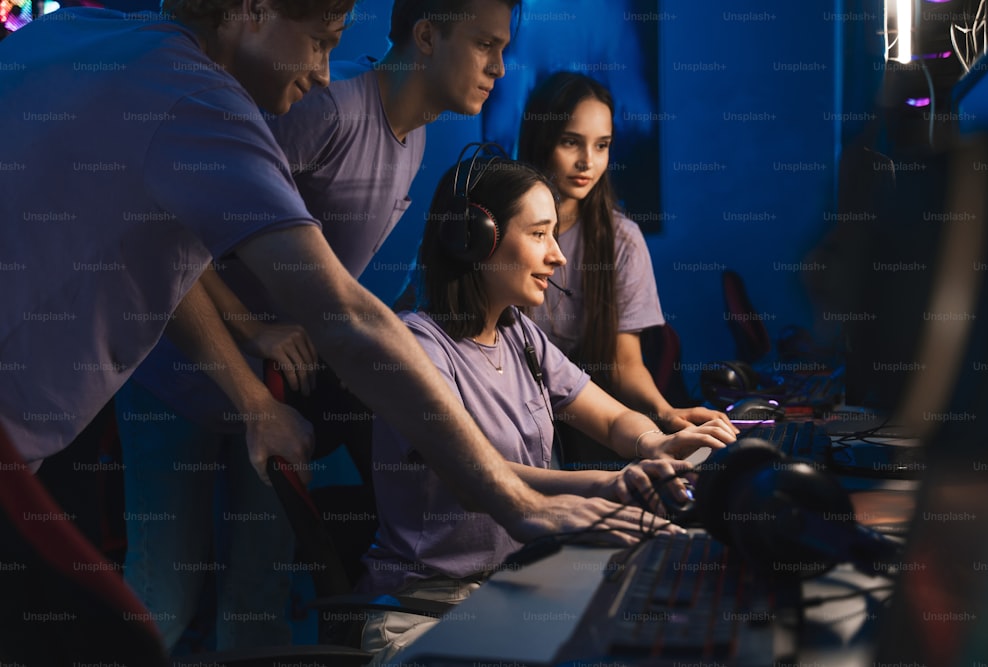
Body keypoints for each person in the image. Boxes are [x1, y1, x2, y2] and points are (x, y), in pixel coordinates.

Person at [0, 1, 663, 655]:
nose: (323, 69)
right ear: (253, 9)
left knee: (248, 595)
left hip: (93, 422)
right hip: (153, 389)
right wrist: (511, 496)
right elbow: (341, 312)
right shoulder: (224, 103)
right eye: (320, 39)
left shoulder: (78, 31)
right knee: (153, 602)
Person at [113, 0, 522, 649]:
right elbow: (180, 219)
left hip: (277, 393)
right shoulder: (327, 110)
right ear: (425, 35)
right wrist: (256, 326)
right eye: (485, 45)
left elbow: (331, 285)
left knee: (258, 607)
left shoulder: (412, 139)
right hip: (181, 373)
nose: (499, 66)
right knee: (163, 590)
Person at [357, 154, 737, 661]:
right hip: (428, 616)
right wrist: (606, 484)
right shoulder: (416, 348)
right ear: (474, 238)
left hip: (511, 591)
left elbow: (608, 415)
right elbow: (476, 479)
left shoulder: (520, 334)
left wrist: (655, 443)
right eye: (539, 235)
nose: (557, 255)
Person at [517, 71, 736, 465]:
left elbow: (624, 363)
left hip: (585, 427)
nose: (587, 161)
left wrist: (667, 413)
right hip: (502, 412)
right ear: (540, 139)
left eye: (601, 146)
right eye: (571, 142)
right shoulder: (497, 229)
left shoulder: (621, 239)